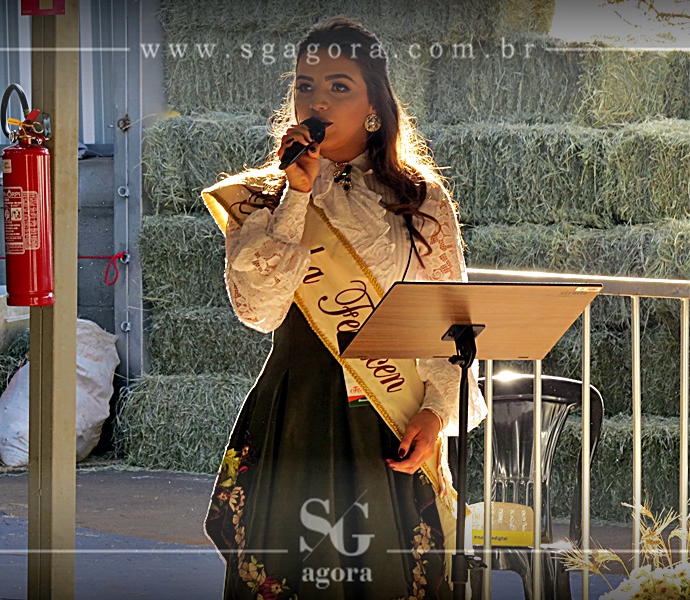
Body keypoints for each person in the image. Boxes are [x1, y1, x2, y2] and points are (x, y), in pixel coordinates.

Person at [201, 17, 487, 599]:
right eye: (305, 86)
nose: (318, 101)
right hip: (298, 411)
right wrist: (296, 195)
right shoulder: (259, 199)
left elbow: (447, 324)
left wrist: (436, 414)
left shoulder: (420, 199)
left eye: (339, 86)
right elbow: (259, 311)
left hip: (386, 415)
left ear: (374, 105)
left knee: (389, 576)